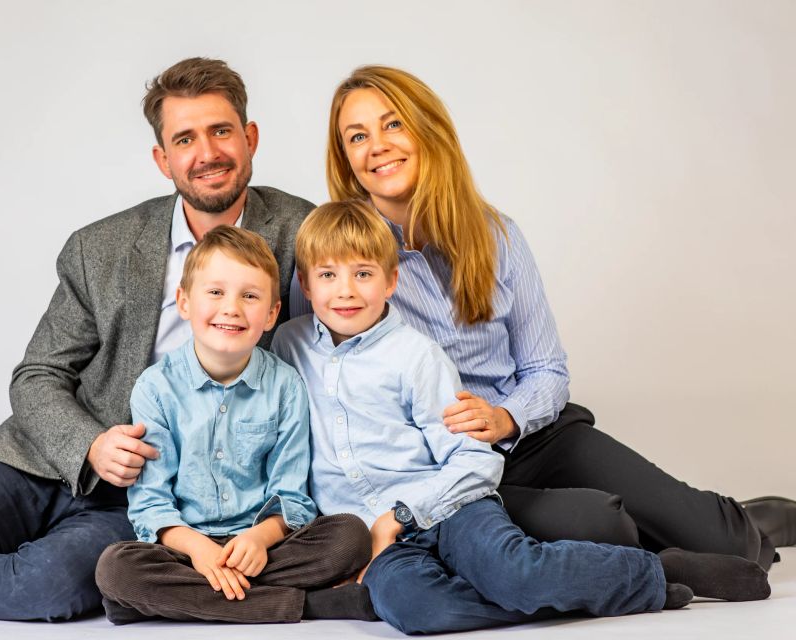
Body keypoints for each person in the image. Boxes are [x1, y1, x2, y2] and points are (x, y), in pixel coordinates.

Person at [0, 57, 314, 620]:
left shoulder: (304, 235)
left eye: (221, 130)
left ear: (250, 137)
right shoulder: (101, 247)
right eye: (185, 138)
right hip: (42, 459)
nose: (207, 152)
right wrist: (89, 444)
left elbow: (345, 335)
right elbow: (38, 375)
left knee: (49, 590)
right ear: (163, 160)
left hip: (152, 497)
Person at [314, 64, 796, 572]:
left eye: (393, 125)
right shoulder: (336, 263)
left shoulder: (495, 235)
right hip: (442, 468)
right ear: (346, 158)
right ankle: (659, 552)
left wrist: (505, 417)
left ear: (427, 130)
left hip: (534, 437)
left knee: (730, 544)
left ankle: (740, 522)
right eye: (357, 136)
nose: (377, 146)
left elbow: (546, 370)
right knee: (604, 528)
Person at [272, 200, 769, 635]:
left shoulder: (415, 356)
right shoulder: (289, 348)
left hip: (451, 507)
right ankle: (582, 591)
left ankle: (654, 576)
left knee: (516, 573)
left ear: (391, 280)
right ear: (304, 284)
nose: (345, 291)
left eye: (363, 274)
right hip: (375, 538)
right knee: (416, 607)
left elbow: (472, 460)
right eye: (328, 275)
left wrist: (402, 515)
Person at [94, 225, 371, 625]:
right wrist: (201, 551)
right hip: (185, 548)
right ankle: (305, 606)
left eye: (250, 296)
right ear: (184, 302)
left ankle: (162, 602)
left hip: (266, 546)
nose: (232, 308)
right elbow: (151, 504)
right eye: (215, 292)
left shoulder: (285, 385)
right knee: (116, 568)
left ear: (272, 313)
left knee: (350, 536)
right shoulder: (156, 387)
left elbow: (292, 495)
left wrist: (259, 538)